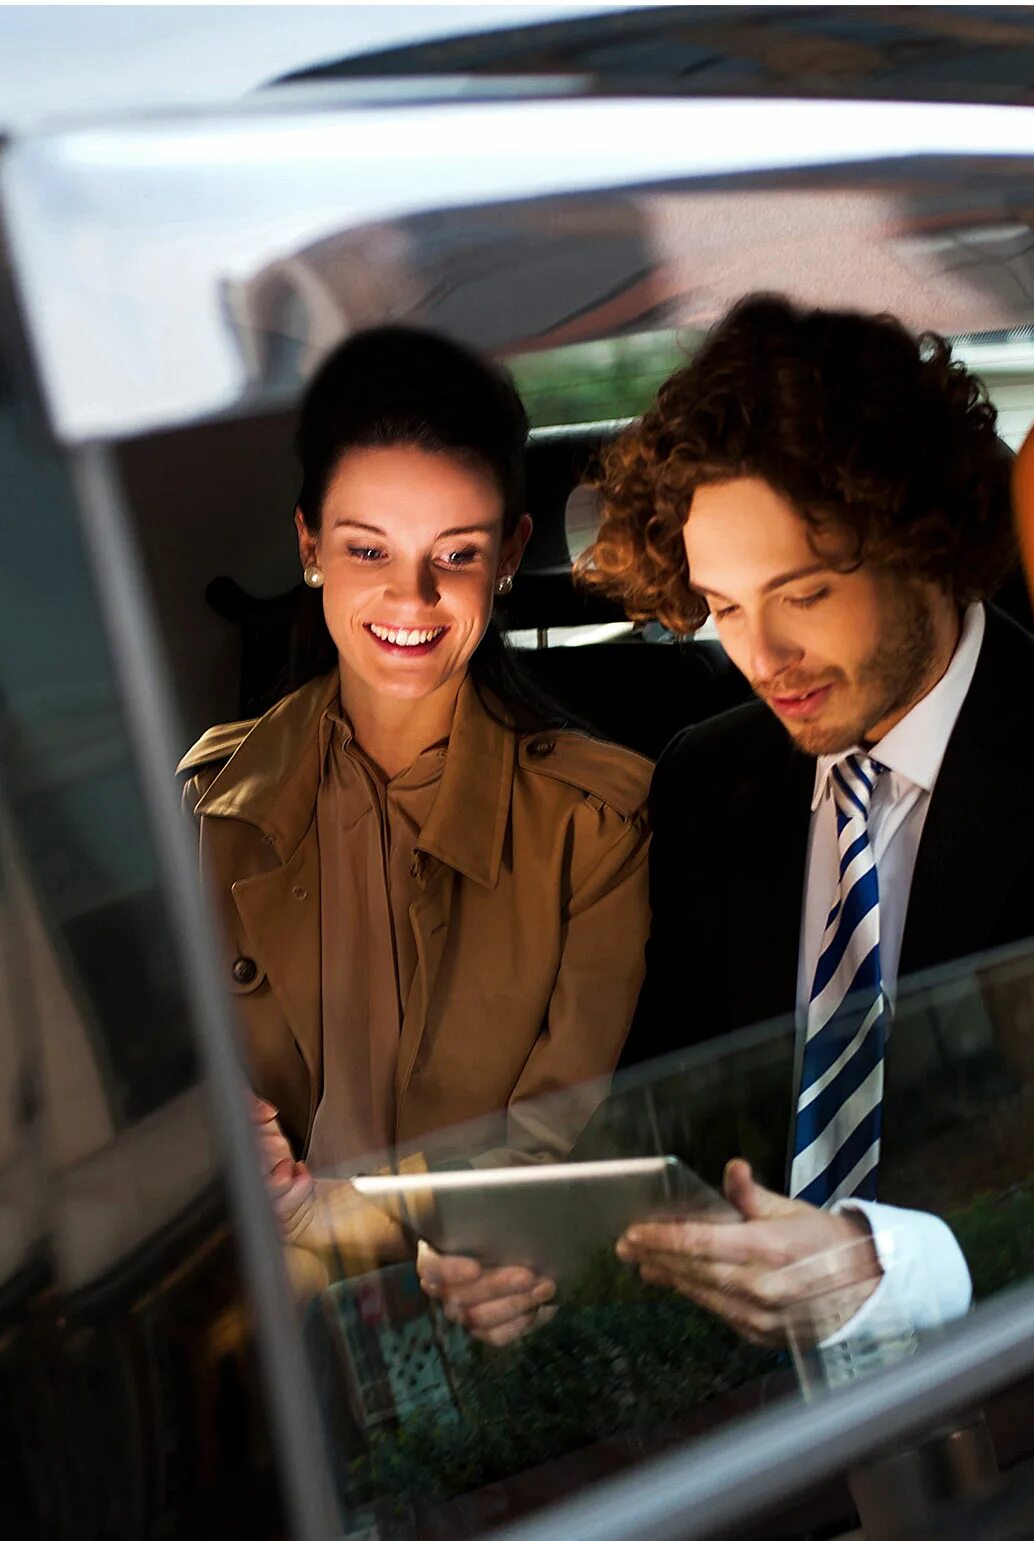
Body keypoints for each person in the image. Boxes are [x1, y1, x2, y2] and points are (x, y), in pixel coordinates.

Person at [574, 296, 1034, 1353]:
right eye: (722, 606)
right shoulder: (707, 785)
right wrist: (557, 1259)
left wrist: (893, 1266)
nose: (760, 656)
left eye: (802, 592)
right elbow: (666, 1121)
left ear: (918, 537)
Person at [180, 327, 654, 1342]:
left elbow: (551, 1149)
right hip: (266, 1326)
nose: (411, 598)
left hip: (489, 1307)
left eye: (457, 555)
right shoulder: (205, 806)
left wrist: (346, 1220)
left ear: (513, 555)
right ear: (309, 545)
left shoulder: (600, 822)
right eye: (367, 550)